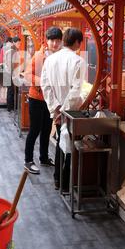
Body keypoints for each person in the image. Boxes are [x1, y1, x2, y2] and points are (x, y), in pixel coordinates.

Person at [41, 28, 85, 191]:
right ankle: (65, 183)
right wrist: (65, 111)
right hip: (71, 111)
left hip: (58, 110)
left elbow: (45, 86)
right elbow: (76, 90)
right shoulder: (77, 61)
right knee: (68, 145)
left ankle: (58, 179)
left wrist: (56, 109)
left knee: (61, 142)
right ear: (77, 42)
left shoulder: (50, 60)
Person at [24, 27, 63, 174]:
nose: (54, 43)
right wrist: (45, 82)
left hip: (51, 100)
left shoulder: (60, 57)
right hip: (37, 98)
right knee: (34, 130)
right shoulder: (39, 56)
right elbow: (28, 76)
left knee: (47, 129)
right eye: (52, 40)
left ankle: (44, 157)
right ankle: (28, 160)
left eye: (58, 40)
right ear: (47, 41)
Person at [5, 36, 21, 112]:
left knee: (12, 91)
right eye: (18, 43)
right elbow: (11, 64)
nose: (19, 44)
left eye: (20, 43)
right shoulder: (12, 51)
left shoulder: (13, 51)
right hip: (11, 74)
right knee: (11, 91)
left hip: (11, 73)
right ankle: (10, 107)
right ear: (14, 42)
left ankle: (12, 107)